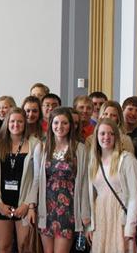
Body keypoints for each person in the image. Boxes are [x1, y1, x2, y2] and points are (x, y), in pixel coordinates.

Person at [34, 107, 90, 253]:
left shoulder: (80, 149)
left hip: (68, 209)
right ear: (50, 124)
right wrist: (31, 206)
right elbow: (36, 179)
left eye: (64, 123)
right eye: (56, 123)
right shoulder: (42, 147)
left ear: (71, 125)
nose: (60, 127)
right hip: (46, 208)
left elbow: (84, 183)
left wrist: (85, 213)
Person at [0, 108, 38, 253]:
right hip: (2, 204)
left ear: (25, 124)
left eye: (20, 121)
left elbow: (37, 179)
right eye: (12, 121)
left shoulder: (35, 144)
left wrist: (27, 204)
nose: (16, 124)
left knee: (25, 247)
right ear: (7, 123)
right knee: (4, 247)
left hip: (24, 203)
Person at [87, 118, 137, 253]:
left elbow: (134, 196)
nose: (106, 137)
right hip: (101, 217)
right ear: (96, 136)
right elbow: (92, 195)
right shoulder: (94, 161)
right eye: (102, 133)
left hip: (120, 217)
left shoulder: (127, 159)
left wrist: (130, 226)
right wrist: (91, 226)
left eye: (111, 133)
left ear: (116, 136)